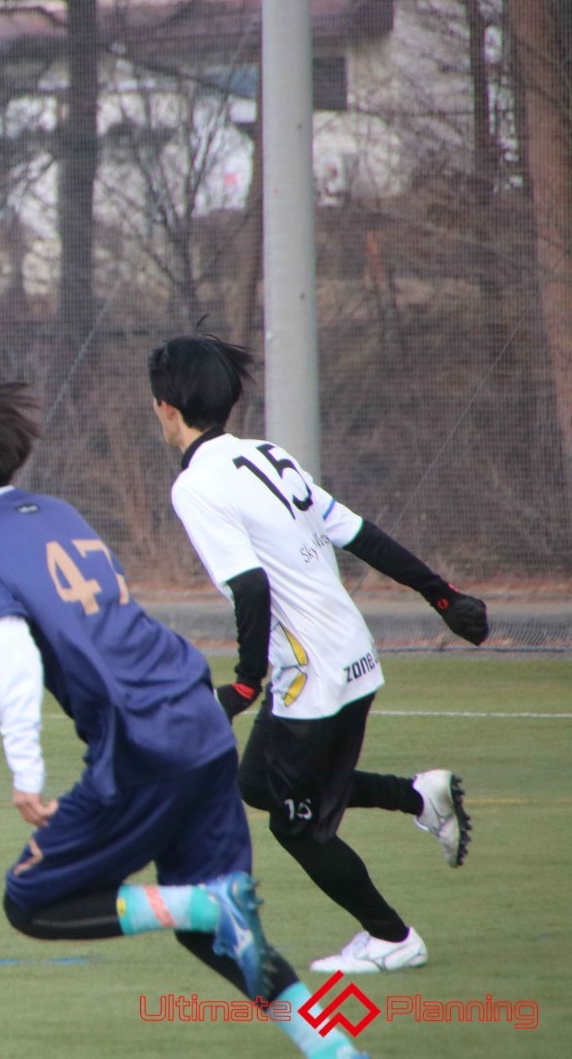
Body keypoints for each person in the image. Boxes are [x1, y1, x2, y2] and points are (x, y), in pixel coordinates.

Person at [0, 379, 366, 1059]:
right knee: (217, 933)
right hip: (198, 716)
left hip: (140, 743)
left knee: (31, 901)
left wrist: (26, 770)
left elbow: (14, 650)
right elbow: (91, 625)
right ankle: (334, 1048)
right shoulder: (58, 512)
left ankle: (206, 904)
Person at [148, 334, 486, 975]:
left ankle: (392, 937)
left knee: (295, 824)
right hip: (346, 652)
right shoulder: (266, 454)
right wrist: (442, 596)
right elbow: (361, 534)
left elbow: (250, 587)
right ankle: (420, 797)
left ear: (166, 406)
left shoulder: (195, 486)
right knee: (258, 784)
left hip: (315, 673)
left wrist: (243, 685)